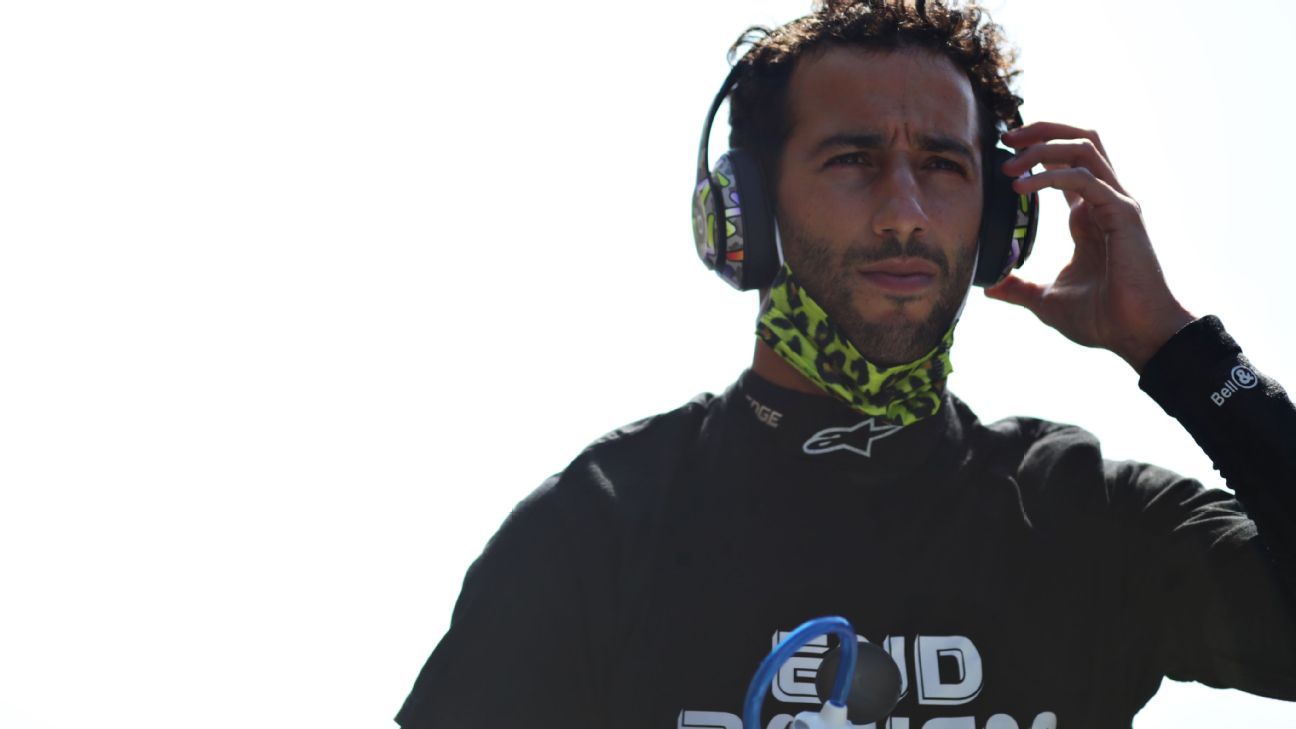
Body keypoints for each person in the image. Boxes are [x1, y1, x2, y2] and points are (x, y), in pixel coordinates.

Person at [395, 1, 1296, 727]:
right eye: (852, 158)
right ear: (747, 213)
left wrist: (1175, 346)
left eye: (942, 165)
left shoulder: (1082, 511)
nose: (904, 211)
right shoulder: (596, 528)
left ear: (998, 223)